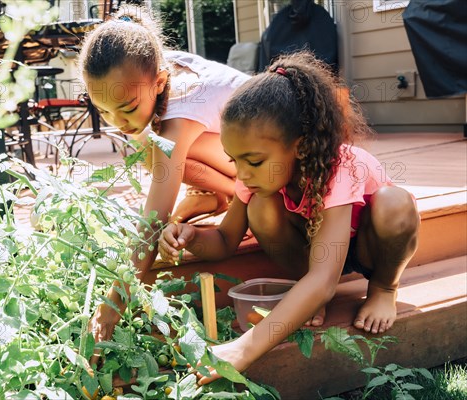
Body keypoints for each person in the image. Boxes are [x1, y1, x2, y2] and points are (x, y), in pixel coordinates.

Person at [158, 51, 420, 384]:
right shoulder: (253, 179)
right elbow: (225, 241)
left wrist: (242, 349)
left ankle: (384, 288)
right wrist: (191, 237)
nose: (242, 173)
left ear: (299, 147)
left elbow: (325, 280)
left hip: (369, 246)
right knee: (261, 207)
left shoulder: (339, 168)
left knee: (394, 203)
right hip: (316, 257)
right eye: (234, 160)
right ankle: (305, 297)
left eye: (253, 161)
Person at [77, 6, 250, 343]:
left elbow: (154, 219)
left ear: (158, 82)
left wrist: (114, 302)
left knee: (158, 148)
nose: (119, 122)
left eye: (126, 108)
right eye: (104, 111)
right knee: (151, 146)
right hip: (232, 152)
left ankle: (226, 193)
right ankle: (218, 194)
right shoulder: (146, 65)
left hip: (278, 162)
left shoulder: (182, 103)